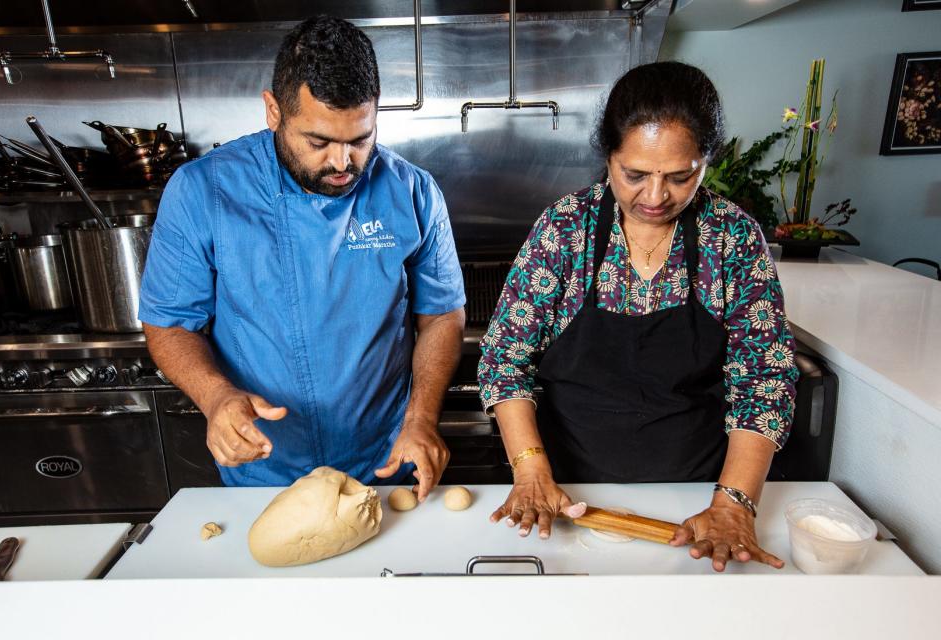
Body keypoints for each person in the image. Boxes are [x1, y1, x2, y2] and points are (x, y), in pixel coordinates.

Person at [478, 61, 799, 571]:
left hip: (695, 498)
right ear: (608, 157)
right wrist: (530, 470)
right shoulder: (566, 230)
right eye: (635, 175)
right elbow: (504, 358)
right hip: (565, 492)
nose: (655, 196)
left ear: (706, 161)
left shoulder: (732, 237)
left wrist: (733, 502)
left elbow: (765, 379)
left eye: (679, 176)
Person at [140, 16, 466, 500]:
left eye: (360, 139)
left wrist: (421, 419)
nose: (341, 163)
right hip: (264, 471)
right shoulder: (201, 191)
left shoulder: (413, 191)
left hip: (384, 467)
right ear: (273, 111)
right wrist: (216, 398)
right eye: (318, 142)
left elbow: (441, 315)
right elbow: (169, 324)